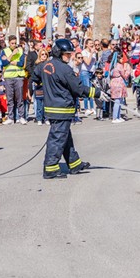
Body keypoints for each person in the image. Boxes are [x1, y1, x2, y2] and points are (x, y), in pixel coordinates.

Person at [40, 38, 102, 178]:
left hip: (53, 108)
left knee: (65, 138)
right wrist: (97, 93)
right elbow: (78, 88)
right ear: (58, 53)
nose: (70, 57)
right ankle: (50, 168)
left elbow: (36, 76)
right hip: (62, 109)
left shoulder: (46, 65)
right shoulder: (65, 69)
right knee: (57, 139)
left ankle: (74, 163)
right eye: (67, 54)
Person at [1, 35, 27, 125]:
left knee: (19, 98)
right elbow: (4, 63)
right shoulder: (4, 51)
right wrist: (12, 55)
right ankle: (11, 117)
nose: (14, 45)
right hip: (8, 76)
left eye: (15, 43)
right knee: (10, 98)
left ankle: (21, 117)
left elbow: (21, 63)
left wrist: (13, 62)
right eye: (12, 43)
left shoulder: (20, 50)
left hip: (18, 76)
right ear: (9, 43)